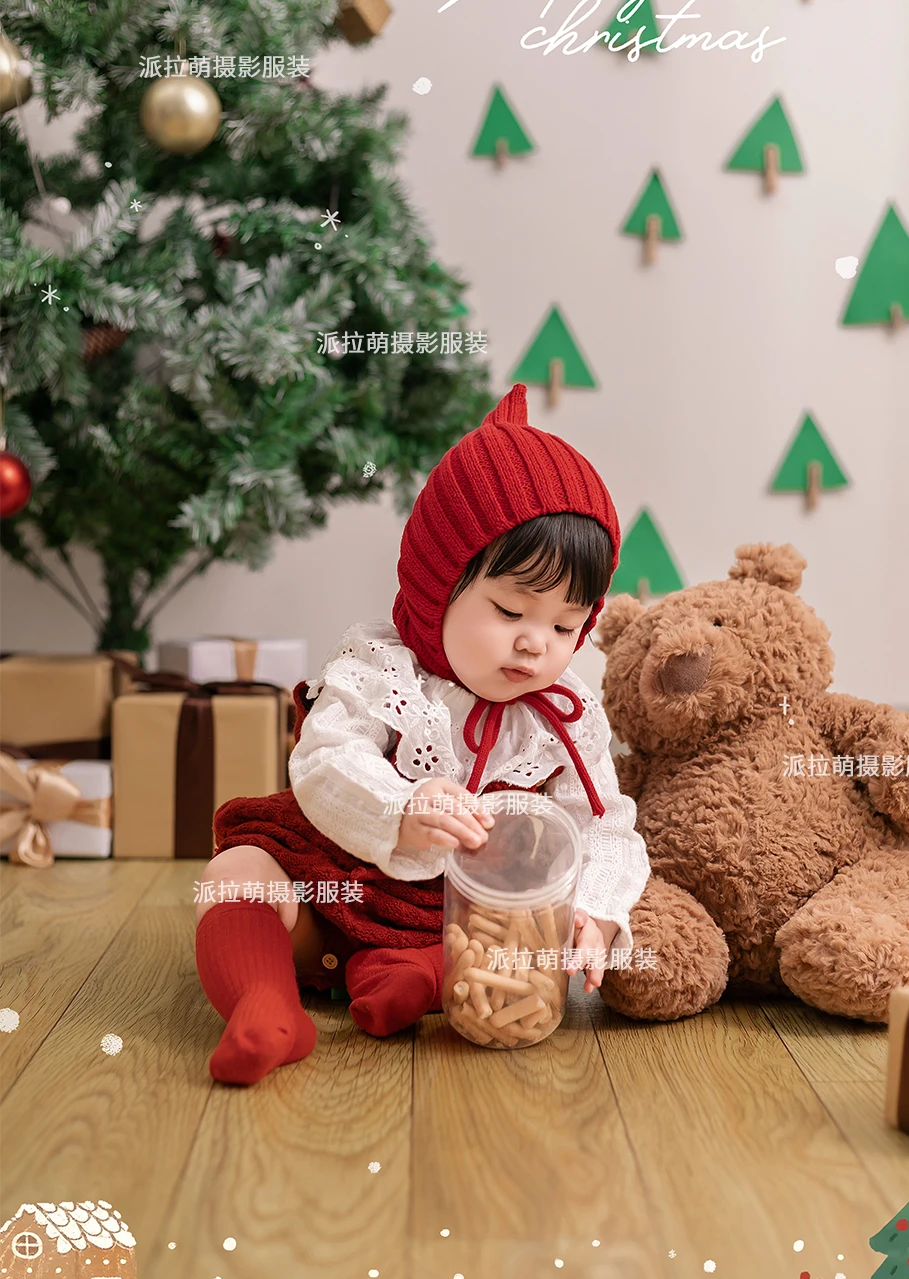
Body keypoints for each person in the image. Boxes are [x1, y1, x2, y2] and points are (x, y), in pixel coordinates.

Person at [193, 384, 651, 1083]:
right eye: (509, 610)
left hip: (455, 920)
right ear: (439, 585)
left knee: (494, 947)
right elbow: (324, 760)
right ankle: (263, 1006)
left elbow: (603, 822)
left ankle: (409, 976)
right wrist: (401, 809)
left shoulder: (564, 710)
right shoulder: (382, 667)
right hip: (338, 881)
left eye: (565, 626)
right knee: (236, 877)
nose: (536, 644)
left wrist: (599, 910)